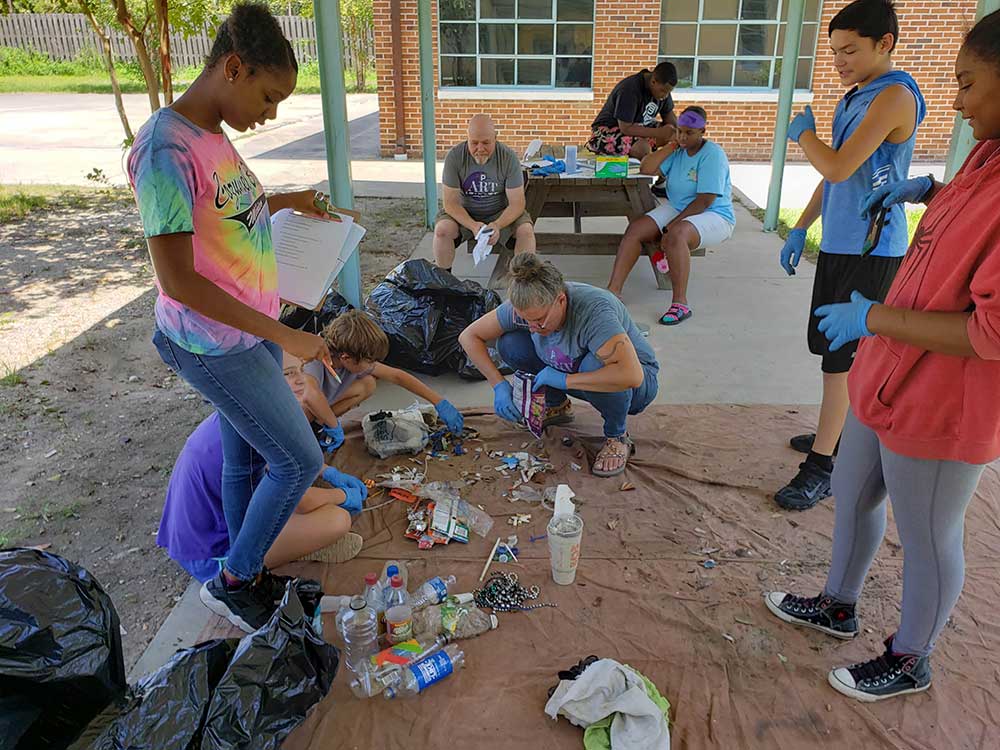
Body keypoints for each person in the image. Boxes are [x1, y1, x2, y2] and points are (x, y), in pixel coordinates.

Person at [766, 9, 1000, 701]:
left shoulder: (899, 97)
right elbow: (958, 204)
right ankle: (838, 604)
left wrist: (872, 314)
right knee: (852, 486)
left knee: (928, 534)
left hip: (945, 396)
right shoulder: (987, 153)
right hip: (891, 362)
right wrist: (929, 190)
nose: (953, 101)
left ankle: (909, 657)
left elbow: (990, 332)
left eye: (967, 83)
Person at [127, 3, 337, 632]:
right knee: (296, 459)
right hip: (214, 344)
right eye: (269, 98)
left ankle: (250, 563)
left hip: (248, 333)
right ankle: (234, 581)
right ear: (234, 67)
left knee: (245, 457)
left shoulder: (211, 132)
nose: (269, 114)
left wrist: (288, 199)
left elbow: (224, 210)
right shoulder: (165, 148)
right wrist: (284, 333)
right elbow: (178, 278)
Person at [774, 0, 926, 510]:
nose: (839, 61)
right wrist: (800, 228)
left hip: (873, 248)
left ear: (885, 43)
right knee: (829, 353)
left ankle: (823, 466)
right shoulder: (854, 96)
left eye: (850, 51)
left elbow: (837, 166)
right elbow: (835, 177)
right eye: (834, 51)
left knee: (844, 360)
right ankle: (833, 437)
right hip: (839, 245)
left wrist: (805, 137)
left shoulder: (895, 97)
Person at [157, 365, 368, 584]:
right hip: (215, 557)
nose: (299, 380)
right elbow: (298, 501)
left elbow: (291, 459)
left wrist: (329, 473)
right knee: (337, 520)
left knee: (315, 503)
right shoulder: (266, 429)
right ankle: (287, 553)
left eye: (299, 370)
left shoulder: (246, 408)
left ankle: (292, 545)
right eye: (287, 373)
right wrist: (342, 495)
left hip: (200, 535)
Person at [459, 255, 659, 477]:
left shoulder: (594, 311)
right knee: (510, 343)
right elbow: (469, 337)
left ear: (561, 300)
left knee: (596, 362)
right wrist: (498, 385)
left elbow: (631, 375)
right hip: (575, 370)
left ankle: (617, 435)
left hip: (635, 384)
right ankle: (557, 405)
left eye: (540, 320)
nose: (533, 327)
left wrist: (564, 380)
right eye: (525, 320)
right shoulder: (527, 305)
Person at [608, 106, 735, 325]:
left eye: (689, 133)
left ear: (703, 131)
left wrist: (669, 228)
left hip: (714, 214)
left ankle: (680, 304)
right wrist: (672, 146)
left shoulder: (712, 155)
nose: (684, 137)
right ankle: (613, 292)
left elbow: (705, 200)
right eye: (680, 131)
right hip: (678, 207)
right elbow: (647, 168)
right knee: (636, 229)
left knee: (677, 235)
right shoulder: (677, 150)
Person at [317, 310, 466, 437]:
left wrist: (439, 402)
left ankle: (323, 423)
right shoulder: (314, 362)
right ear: (346, 358)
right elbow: (307, 399)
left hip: (324, 401)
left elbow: (397, 376)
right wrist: (331, 425)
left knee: (368, 383)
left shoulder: (349, 357)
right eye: (368, 362)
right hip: (305, 411)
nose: (372, 366)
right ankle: (316, 427)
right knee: (309, 408)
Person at [433, 114, 536, 272]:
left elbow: (517, 204)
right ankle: (443, 281)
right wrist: (473, 226)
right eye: (474, 143)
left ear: (495, 137)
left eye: (486, 143)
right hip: (465, 213)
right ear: (467, 138)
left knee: (526, 231)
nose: (480, 149)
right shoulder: (454, 157)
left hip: (500, 212)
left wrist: (497, 225)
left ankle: (525, 283)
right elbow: (450, 203)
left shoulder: (508, 157)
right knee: (442, 230)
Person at [587, 62, 678, 159]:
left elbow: (670, 119)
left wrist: (680, 133)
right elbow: (626, 128)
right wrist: (659, 132)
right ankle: (650, 167)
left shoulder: (663, 91)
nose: (665, 96)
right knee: (642, 148)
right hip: (608, 130)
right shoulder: (629, 89)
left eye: (669, 92)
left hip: (639, 128)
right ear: (653, 82)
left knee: (673, 135)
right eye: (663, 91)